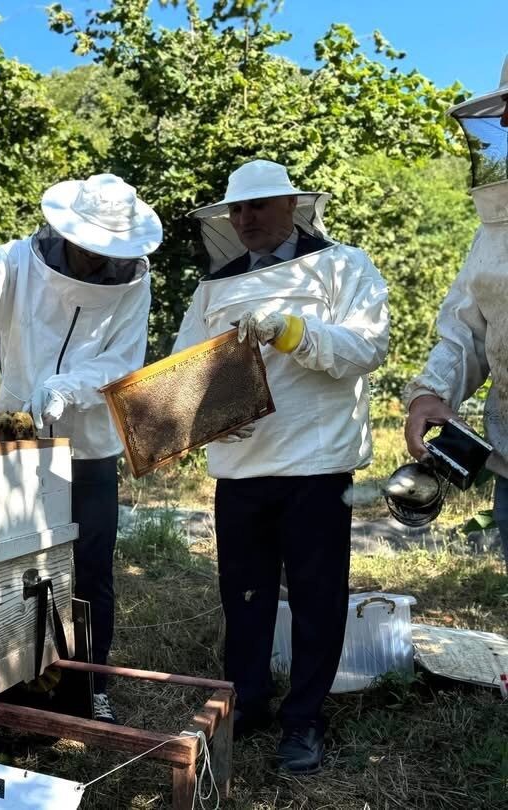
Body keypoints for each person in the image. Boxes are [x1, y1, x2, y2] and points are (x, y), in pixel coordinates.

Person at [174, 159, 389, 773]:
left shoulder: (345, 265)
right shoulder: (214, 286)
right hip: (240, 467)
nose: (245, 219)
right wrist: (206, 409)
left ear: (292, 206)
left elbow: (367, 346)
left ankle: (305, 719)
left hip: (317, 465)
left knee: (318, 598)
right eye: (236, 210)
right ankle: (247, 702)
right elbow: (184, 366)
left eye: (258, 207)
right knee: (244, 597)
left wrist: (294, 330)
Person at [0, 173, 162, 722]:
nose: (97, 259)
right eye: (89, 245)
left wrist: (69, 388)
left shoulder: (134, 282)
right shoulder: (20, 259)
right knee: (18, 564)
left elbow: (125, 360)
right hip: (18, 442)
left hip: (90, 446)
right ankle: (23, 682)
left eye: (108, 249)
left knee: (90, 567)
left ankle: (89, 685)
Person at [403, 56, 508, 565]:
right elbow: (467, 329)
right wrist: (432, 393)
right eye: (505, 108)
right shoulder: (496, 225)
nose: (506, 121)